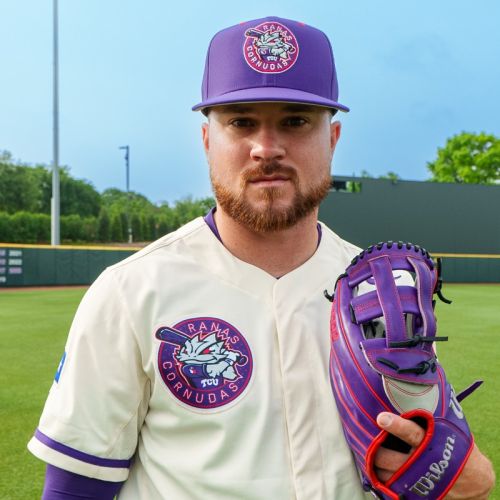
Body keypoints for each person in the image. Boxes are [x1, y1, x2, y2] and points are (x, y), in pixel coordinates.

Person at [29, 16, 494, 500]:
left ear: (332, 140)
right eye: (241, 122)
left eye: (295, 121)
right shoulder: (130, 292)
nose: (266, 148)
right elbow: (73, 490)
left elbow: (427, 460)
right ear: (207, 141)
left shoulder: (381, 292)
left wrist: (469, 480)